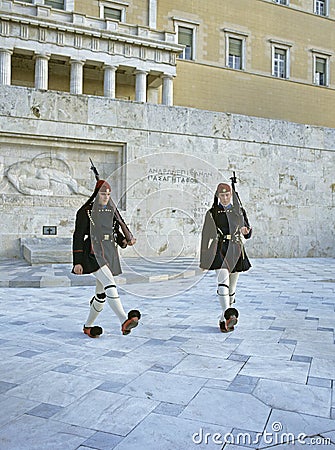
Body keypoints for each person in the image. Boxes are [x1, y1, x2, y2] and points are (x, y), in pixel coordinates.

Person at [72, 179, 141, 338]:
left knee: (101, 295)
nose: (106, 197)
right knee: (110, 284)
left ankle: (88, 327)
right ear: (96, 194)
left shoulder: (110, 211)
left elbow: (114, 233)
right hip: (92, 254)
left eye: (108, 194)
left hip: (109, 253)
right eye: (103, 194)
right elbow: (78, 236)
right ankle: (124, 320)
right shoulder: (85, 212)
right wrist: (77, 261)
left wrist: (124, 240)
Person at [200, 182, 252, 333]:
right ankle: (229, 315)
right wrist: (204, 259)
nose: (224, 197)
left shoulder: (239, 211)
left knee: (232, 289)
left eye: (227, 195)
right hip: (219, 249)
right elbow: (205, 236)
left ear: (231, 195)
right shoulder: (212, 213)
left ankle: (224, 320)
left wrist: (246, 231)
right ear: (218, 196)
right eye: (222, 195)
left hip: (236, 249)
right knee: (223, 284)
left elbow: (248, 233)